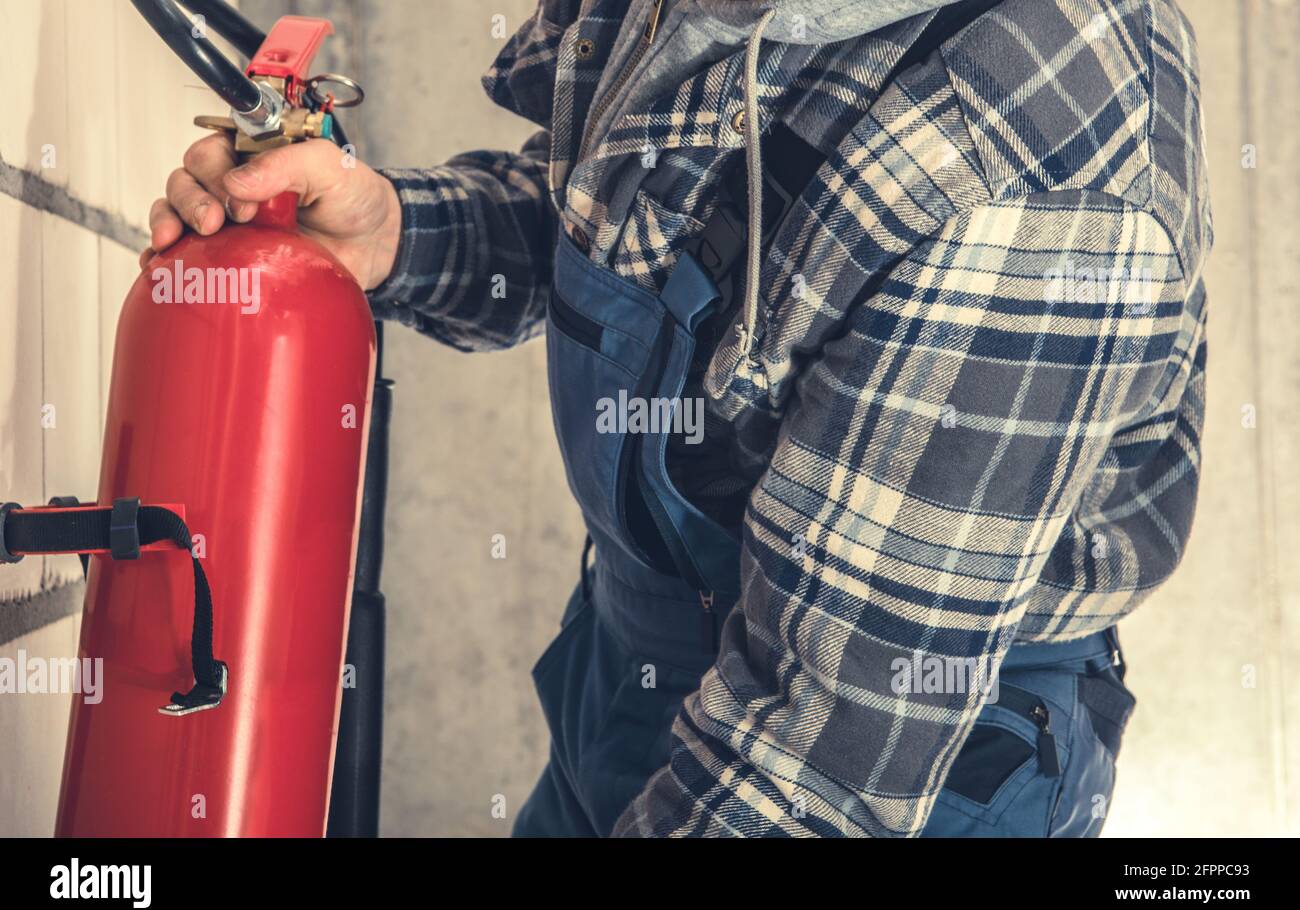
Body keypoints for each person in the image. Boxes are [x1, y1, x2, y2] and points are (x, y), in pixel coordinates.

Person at [143, 0, 1211, 837]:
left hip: (899, 744)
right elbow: (643, 217)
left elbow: (815, 759)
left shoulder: (1038, 167)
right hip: (642, 639)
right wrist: (397, 235)